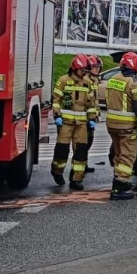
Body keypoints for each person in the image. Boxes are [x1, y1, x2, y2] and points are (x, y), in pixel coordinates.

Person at [104, 52, 137, 200]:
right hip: (127, 127)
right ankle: (121, 187)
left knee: (119, 155)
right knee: (127, 156)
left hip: (112, 125)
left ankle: (117, 181)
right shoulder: (133, 83)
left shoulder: (113, 79)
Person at [51, 53, 99, 190]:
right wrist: (57, 116)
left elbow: (90, 104)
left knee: (81, 151)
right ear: (74, 68)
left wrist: (91, 118)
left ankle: (76, 179)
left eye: (85, 71)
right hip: (65, 122)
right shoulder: (63, 81)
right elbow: (56, 100)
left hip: (81, 124)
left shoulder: (87, 83)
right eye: (82, 70)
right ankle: (57, 172)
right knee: (62, 150)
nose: (84, 73)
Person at [84, 56, 104, 174]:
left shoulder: (95, 80)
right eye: (95, 67)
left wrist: (96, 114)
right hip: (85, 117)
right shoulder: (86, 80)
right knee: (82, 143)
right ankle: (79, 166)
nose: (97, 69)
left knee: (89, 141)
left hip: (92, 116)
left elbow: (95, 100)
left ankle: (84, 163)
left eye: (98, 68)